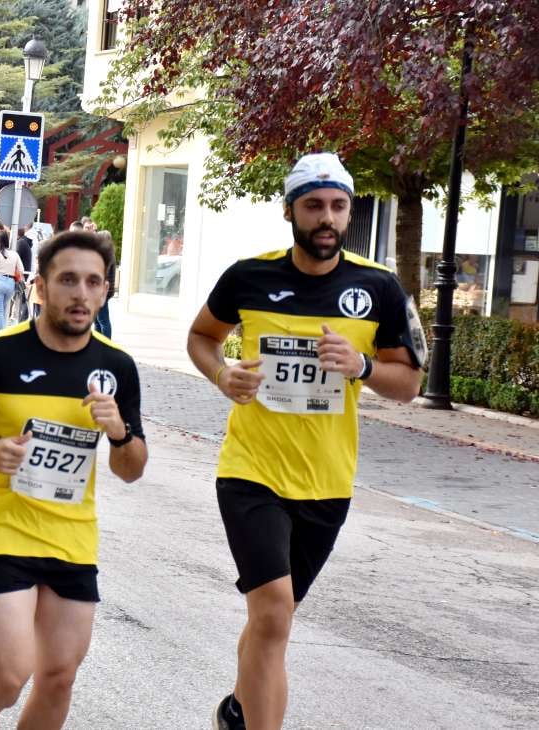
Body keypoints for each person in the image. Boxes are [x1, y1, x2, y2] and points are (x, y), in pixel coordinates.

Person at [184, 153, 424, 730]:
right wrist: (222, 374)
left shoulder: (380, 288)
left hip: (327, 481)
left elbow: (409, 383)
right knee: (272, 615)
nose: (327, 218)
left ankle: (241, 707)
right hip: (251, 472)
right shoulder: (249, 276)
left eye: (338, 207)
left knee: (274, 618)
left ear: (348, 214)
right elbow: (201, 337)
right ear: (290, 210)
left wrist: (362, 365)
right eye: (314, 206)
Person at [0, 230, 148, 730]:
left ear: (105, 290)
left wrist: (118, 432)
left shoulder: (115, 366)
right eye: (68, 280)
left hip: (72, 536)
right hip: (2, 528)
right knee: (9, 675)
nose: (81, 293)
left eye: (94, 282)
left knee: (58, 676)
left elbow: (132, 468)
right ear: (41, 287)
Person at [0, 232, 23, 332]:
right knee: (1, 310)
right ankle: (2, 331)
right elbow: (21, 269)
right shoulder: (14, 254)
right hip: (10, 283)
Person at [95, 230, 117, 338]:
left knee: (102, 320)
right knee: (98, 320)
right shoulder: (107, 254)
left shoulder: (106, 255)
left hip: (102, 291)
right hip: (103, 291)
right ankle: (98, 343)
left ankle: (105, 344)